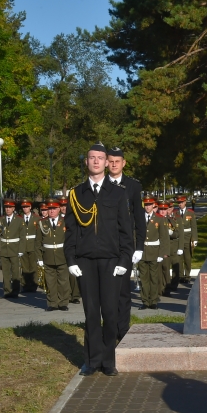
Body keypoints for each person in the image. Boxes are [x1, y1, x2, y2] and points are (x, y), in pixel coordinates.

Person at [64, 143, 133, 377]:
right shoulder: (76, 194)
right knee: (91, 312)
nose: (96, 161)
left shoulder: (118, 192)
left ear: (106, 163)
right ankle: (92, 361)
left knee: (111, 312)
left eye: (100, 158)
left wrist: (125, 261)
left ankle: (108, 361)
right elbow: (70, 230)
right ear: (86, 162)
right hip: (85, 261)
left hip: (111, 261)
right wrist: (70, 259)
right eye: (91, 157)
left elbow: (126, 230)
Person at [107, 147, 146, 340]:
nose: (114, 164)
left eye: (117, 161)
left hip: (125, 245)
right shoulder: (100, 183)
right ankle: (109, 327)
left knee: (123, 291)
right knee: (106, 291)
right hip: (104, 245)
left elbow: (139, 218)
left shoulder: (133, 186)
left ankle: (122, 330)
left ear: (124, 163)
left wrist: (139, 247)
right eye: (111, 161)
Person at [36, 200, 70, 312]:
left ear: (59, 209)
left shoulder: (65, 221)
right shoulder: (42, 223)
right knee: (50, 282)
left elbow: (70, 240)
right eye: (49, 209)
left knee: (63, 281)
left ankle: (63, 302)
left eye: (54, 208)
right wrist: (40, 258)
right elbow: (38, 243)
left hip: (62, 255)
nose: (51, 211)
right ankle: (52, 303)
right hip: (48, 256)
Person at [137, 197, 169, 310]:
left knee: (154, 278)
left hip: (154, 251)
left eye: (150, 204)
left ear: (153, 205)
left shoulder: (159, 219)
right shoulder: (139, 217)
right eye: (146, 204)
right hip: (142, 252)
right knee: (144, 278)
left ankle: (154, 301)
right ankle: (145, 301)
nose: (147, 207)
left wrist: (162, 253)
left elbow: (164, 237)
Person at [0, 199, 23, 298]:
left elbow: (22, 236)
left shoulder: (19, 220)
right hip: (4, 248)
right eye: (6, 207)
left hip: (15, 248)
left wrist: (21, 250)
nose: (8, 209)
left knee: (15, 272)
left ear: (13, 209)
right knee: (5, 271)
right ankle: (7, 291)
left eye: (10, 207)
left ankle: (15, 291)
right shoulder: (0, 220)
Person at [59, 197, 81, 304]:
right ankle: (65, 295)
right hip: (59, 248)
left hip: (72, 246)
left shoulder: (74, 216)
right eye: (62, 206)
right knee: (63, 274)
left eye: (65, 206)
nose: (64, 208)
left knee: (73, 274)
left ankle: (75, 295)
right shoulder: (56, 219)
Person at [174, 195, 196, 284]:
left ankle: (187, 275)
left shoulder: (190, 213)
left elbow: (194, 227)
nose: (180, 204)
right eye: (179, 203)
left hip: (188, 237)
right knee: (179, 258)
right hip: (179, 237)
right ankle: (180, 275)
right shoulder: (176, 213)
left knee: (187, 258)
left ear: (185, 202)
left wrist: (194, 239)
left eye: (181, 203)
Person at [19, 198, 39, 292]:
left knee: (33, 266)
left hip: (33, 245)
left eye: (27, 207)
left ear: (30, 207)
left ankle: (33, 284)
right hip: (23, 245)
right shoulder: (19, 218)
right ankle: (25, 284)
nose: (25, 208)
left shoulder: (36, 218)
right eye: (24, 207)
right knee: (25, 266)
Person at [165, 198, 185, 293]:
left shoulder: (177, 217)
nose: (168, 210)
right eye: (167, 208)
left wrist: (181, 247)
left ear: (172, 208)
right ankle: (167, 286)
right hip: (165, 246)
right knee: (165, 267)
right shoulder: (163, 217)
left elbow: (181, 233)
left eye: (170, 208)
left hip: (175, 246)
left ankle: (174, 285)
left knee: (176, 267)